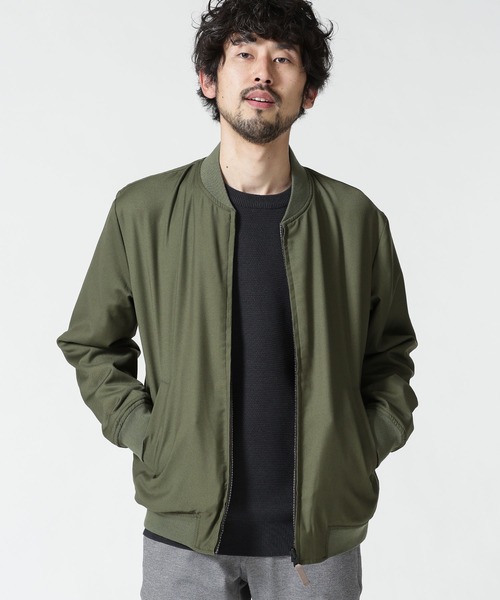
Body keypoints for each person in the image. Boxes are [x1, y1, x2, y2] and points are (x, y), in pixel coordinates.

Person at [57, 0, 418, 598]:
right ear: (209, 78)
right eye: (244, 53)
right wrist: (150, 436)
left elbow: (391, 356)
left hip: (319, 543)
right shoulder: (142, 213)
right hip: (184, 539)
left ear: (308, 92)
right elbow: (92, 343)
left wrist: (359, 447)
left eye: (284, 58)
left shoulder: (356, 221)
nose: (262, 72)